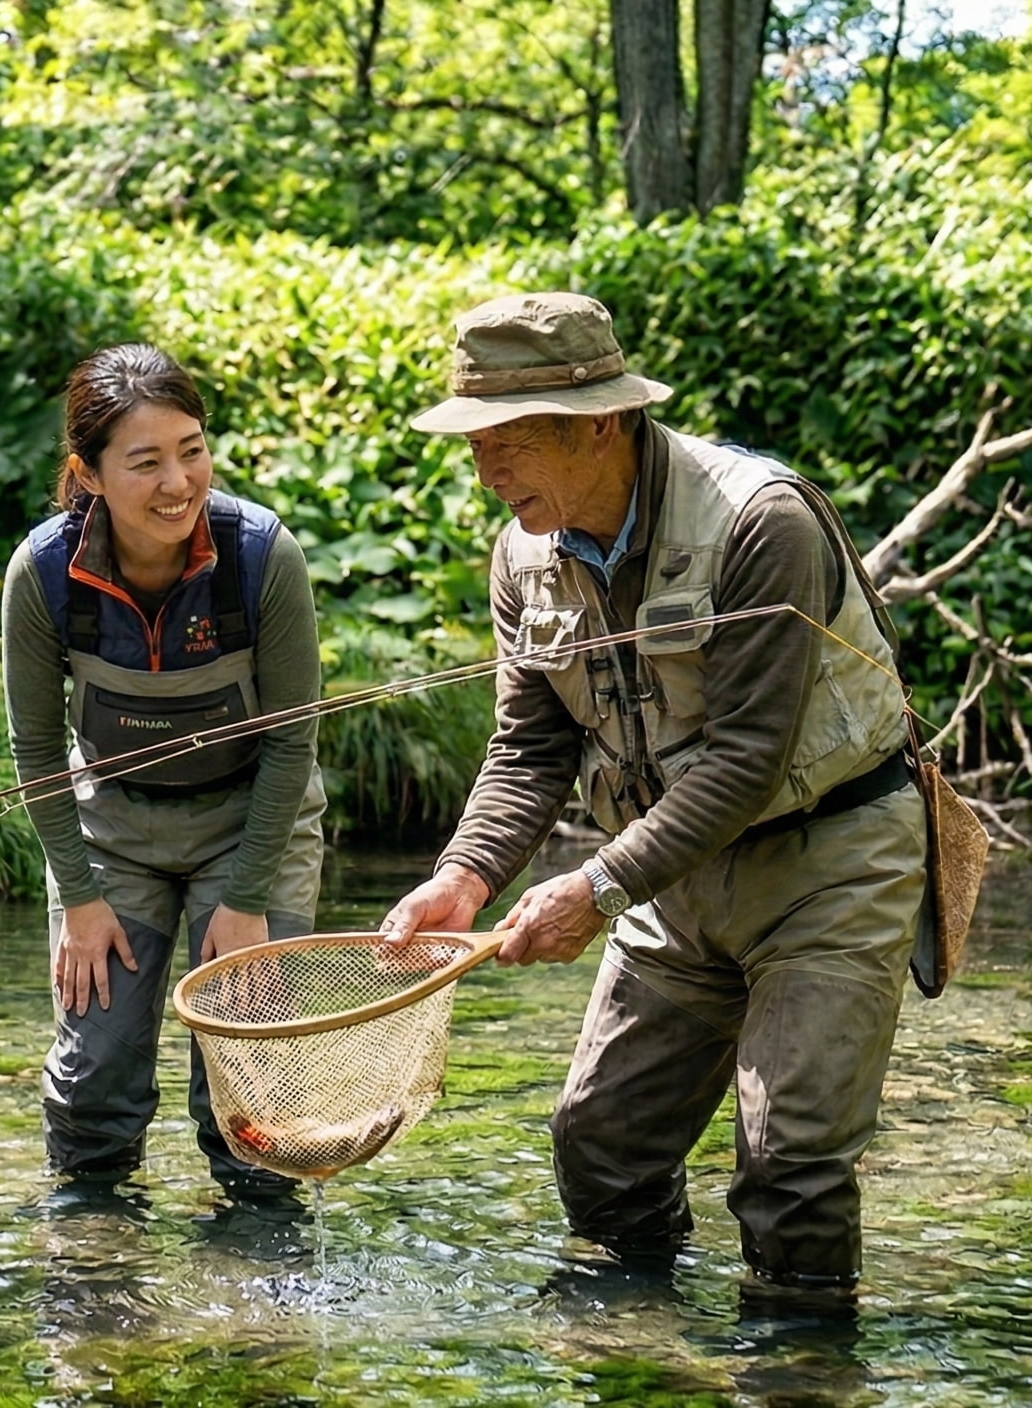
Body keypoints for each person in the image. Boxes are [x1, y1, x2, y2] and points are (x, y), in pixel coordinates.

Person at [380, 292, 926, 1309]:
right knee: (600, 1144)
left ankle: (797, 1372)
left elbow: (745, 760)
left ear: (600, 419)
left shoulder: (760, 521)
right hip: (675, 877)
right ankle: (643, 1347)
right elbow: (527, 747)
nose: (486, 469)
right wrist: (463, 877)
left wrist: (592, 886)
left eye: (507, 439)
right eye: (472, 442)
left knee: (789, 1164)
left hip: (832, 861)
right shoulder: (521, 555)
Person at [1, 343, 328, 1196]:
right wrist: (77, 897)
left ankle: (261, 1276)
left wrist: (248, 897)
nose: (177, 482)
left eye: (191, 450)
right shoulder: (42, 573)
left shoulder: (261, 555)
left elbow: (293, 743)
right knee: (94, 1078)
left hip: (255, 823)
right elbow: (34, 752)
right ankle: (93, 1264)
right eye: (144, 462)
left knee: (249, 1078)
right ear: (89, 473)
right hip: (112, 834)